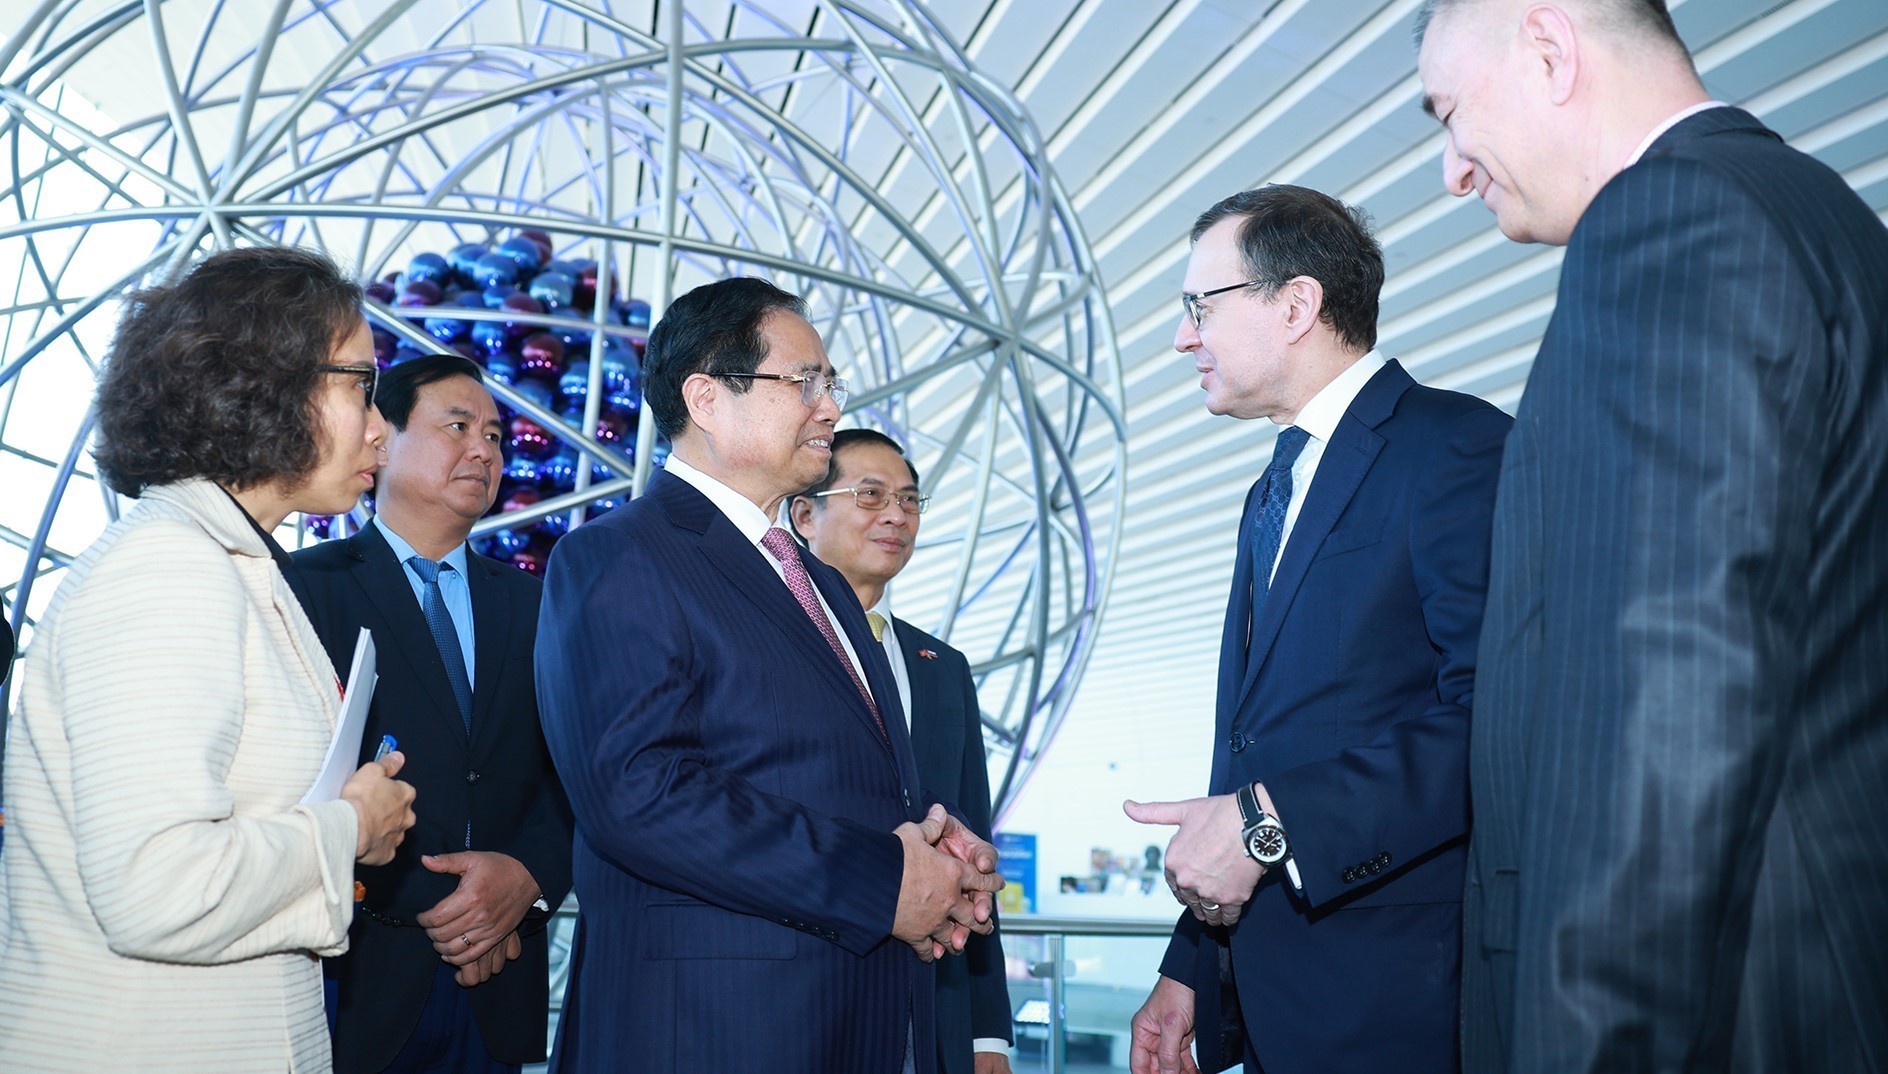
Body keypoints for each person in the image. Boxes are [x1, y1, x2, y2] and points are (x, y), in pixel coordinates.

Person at [1414, 2, 1888, 1070]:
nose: (1453, 170)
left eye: (1448, 114)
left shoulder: (1673, 220)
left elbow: (1667, 709)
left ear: (1547, 50)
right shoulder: (1820, 217)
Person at [534, 276, 1005, 1074]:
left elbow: (837, 773)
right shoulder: (618, 555)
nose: (828, 409)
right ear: (707, 398)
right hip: (712, 1031)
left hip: (855, 1019)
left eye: (831, 385)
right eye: (804, 382)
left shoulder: (818, 583)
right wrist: (882, 878)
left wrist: (939, 841)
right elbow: (639, 796)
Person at [1121, 185, 1511, 1074]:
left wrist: (1271, 823)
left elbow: (1500, 718)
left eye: (1199, 306)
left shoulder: (1458, 447)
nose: (1182, 337)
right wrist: (1192, 967)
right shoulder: (1274, 488)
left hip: (1397, 1002)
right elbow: (1253, 753)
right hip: (1273, 997)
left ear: (1296, 305)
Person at [0, 245, 417, 1072]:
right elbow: (157, 888)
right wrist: (350, 827)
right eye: (361, 386)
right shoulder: (169, 569)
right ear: (268, 383)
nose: (380, 426)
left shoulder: (229, 561)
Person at [290, 353, 574, 1074]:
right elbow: (295, 774)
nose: (484, 450)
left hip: (500, 976)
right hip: (358, 976)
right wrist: (457, 909)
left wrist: (527, 881)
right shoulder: (306, 588)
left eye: (495, 436)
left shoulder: (539, 604)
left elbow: (575, 772)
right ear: (382, 440)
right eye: (458, 426)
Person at [791, 428, 1016, 1074]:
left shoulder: (943, 667)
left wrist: (988, 1034)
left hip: (929, 1005)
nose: (896, 515)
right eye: (870, 495)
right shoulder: (767, 648)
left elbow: (975, 848)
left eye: (910, 500)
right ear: (805, 515)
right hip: (806, 997)